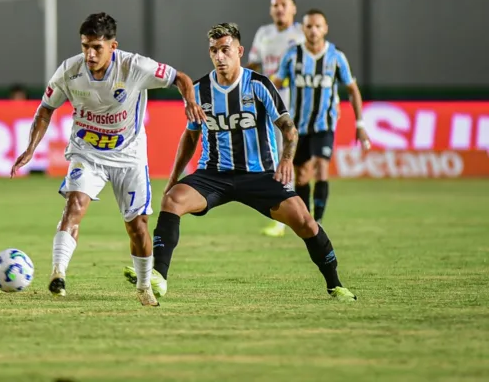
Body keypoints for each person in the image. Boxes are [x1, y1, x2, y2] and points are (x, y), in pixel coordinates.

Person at [124, 22, 357, 302]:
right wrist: (174, 176)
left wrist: (286, 161)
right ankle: (158, 277)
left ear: (239, 51)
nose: (220, 56)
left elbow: (288, 128)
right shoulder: (199, 90)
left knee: (306, 222)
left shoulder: (258, 85)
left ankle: (335, 285)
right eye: (214, 51)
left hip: (258, 175)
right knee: (172, 200)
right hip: (214, 175)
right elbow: (190, 136)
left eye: (225, 50)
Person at [11, 12, 204, 307]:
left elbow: (180, 78)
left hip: (129, 156)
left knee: (137, 226)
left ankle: (143, 286)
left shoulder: (135, 66)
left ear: (113, 46)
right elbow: (45, 108)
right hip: (86, 153)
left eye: (96, 47)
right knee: (75, 205)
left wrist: (189, 100)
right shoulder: (69, 71)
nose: (89, 54)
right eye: (85, 46)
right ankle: (58, 273)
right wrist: (30, 148)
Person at [273, 9, 370, 225]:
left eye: (318, 26)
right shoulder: (292, 55)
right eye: (309, 26)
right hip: (297, 126)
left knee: (321, 165)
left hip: (324, 124)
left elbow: (352, 89)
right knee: (301, 175)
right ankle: (306, 220)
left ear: (325, 29)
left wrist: (360, 124)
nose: (314, 31)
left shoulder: (336, 57)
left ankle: (319, 219)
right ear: (303, 29)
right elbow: (276, 85)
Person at [247, 0, 306, 238]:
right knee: (280, 157)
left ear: (293, 9)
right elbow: (253, 64)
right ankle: (285, 215)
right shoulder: (264, 34)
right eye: (275, 5)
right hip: (273, 104)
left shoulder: (303, 33)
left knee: (304, 164)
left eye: (284, 5)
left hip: (300, 103)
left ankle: (303, 214)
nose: (279, 9)